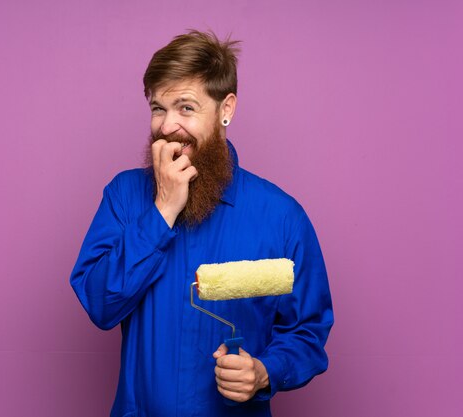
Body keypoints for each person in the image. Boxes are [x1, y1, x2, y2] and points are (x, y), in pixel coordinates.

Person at [70, 30, 333, 417]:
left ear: (226, 108)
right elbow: (99, 304)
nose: (166, 126)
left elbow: (308, 333)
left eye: (186, 108)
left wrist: (265, 372)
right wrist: (161, 211)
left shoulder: (282, 218)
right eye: (158, 108)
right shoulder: (124, 197)